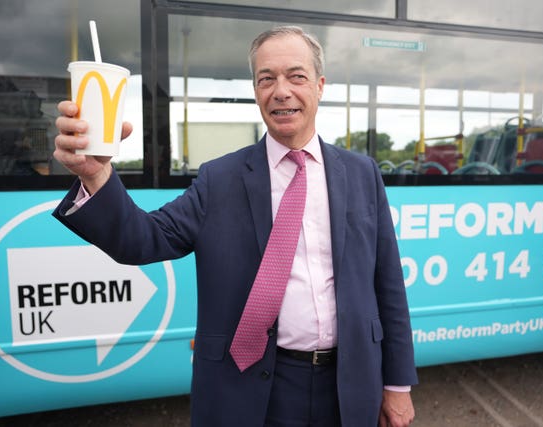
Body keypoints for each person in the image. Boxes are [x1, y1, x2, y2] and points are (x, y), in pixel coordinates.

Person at [53, 26, 417, 427]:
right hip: (253, 392)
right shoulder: (219, 179)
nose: (281, 91)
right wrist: (96, 174)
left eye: (296, 76)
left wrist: (397, 386)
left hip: (350, 386)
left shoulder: (362, 173)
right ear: (256, 90)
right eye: (266, 79)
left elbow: (389, 286)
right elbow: (142, 240)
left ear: (319, 85)